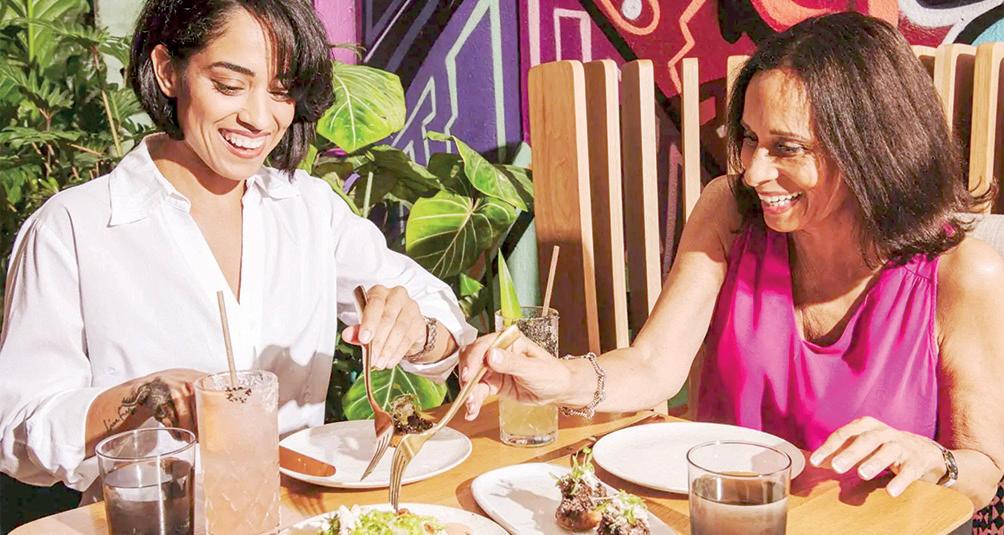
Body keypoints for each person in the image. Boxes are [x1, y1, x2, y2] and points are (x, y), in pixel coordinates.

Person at [462, 12, 1004, 510]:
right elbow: (653, 366)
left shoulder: (964, 275)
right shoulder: (729, 210)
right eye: (749, 138)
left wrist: (936, 459)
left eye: (787, 148)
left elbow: (983, 472)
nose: (754, 172)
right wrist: (558, 379)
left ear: (870, 147)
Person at [0, 0, 476, 516]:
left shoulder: (308, 209)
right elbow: (18, 431)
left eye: (282, 92)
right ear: (168, 71)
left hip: (302, 515)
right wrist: (142, 398)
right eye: (229, 85)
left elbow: (443, 323)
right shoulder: (74, 227)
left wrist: (416, 331)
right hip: (154, 519)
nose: (259, 118)